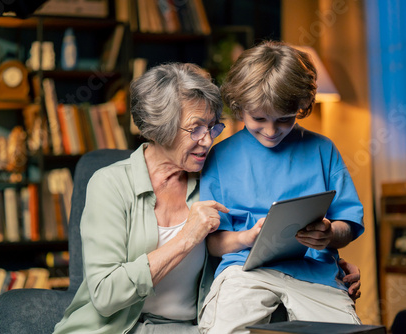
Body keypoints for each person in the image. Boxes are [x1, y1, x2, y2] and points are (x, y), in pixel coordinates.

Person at [198, 41, 365, 334]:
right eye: (259, 119)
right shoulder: (220, 157)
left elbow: (348, 225)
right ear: (239, 108)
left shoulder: (322, 149)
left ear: (301, 108)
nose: (272, 131)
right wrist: (248, 238)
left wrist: (329, 234)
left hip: (316, 274)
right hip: (246, 270)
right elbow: (213, 243)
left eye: (284, 120)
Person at [53, 62, 228, 334]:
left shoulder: (212, 181)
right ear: (161, 127)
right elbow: (105, 294)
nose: (207, 141)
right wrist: (186, 238)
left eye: (213, 127)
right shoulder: (110, 184)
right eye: (195, 129)